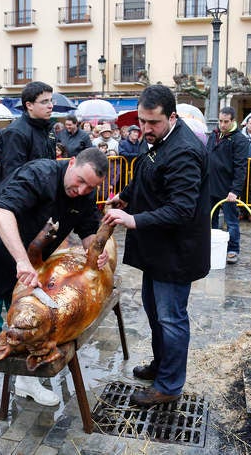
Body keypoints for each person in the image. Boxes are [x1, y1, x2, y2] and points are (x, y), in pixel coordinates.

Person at [0, 148, 109, 420]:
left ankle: (26, 383)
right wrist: (21, 260)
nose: (81, 190)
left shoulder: (85, 195)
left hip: (30, 264)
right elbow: (2, 214)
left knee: (29, 324)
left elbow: (89, 230)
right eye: (80, 181)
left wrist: (96, 254)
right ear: (72, 162)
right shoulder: (39, 174)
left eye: (90, 187)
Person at [103, 84, 210, 407]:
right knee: (155, 314)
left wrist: (133, 220)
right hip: (157, 250)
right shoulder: (157, 140)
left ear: (172, 117)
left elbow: (181, 209)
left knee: (171, 319)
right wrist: (125, 196)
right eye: (142, 121)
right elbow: (146, 175)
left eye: (153, 122)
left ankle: (169, 385)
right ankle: (161, 366)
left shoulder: (184, 152)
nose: (146, 129)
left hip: (176, 254)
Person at [207, 106, 248, 264]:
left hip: (228, 189)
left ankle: (233, 249)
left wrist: (235, 190)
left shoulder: (239, 140)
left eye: (226, 121)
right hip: (211, 185)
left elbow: (240, 167)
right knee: (210, 219)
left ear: (233, 121)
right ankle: (211, 246)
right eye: (220, 121)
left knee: (231, 221)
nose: (222, 124)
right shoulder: (214, 135)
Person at [0, 81, 56, 182]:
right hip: (25, 190)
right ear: (29, 105)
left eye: (51, 101)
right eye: (44, 102)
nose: (50, 106)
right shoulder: (15, 133)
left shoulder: (47, 129)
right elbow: (12, 176)